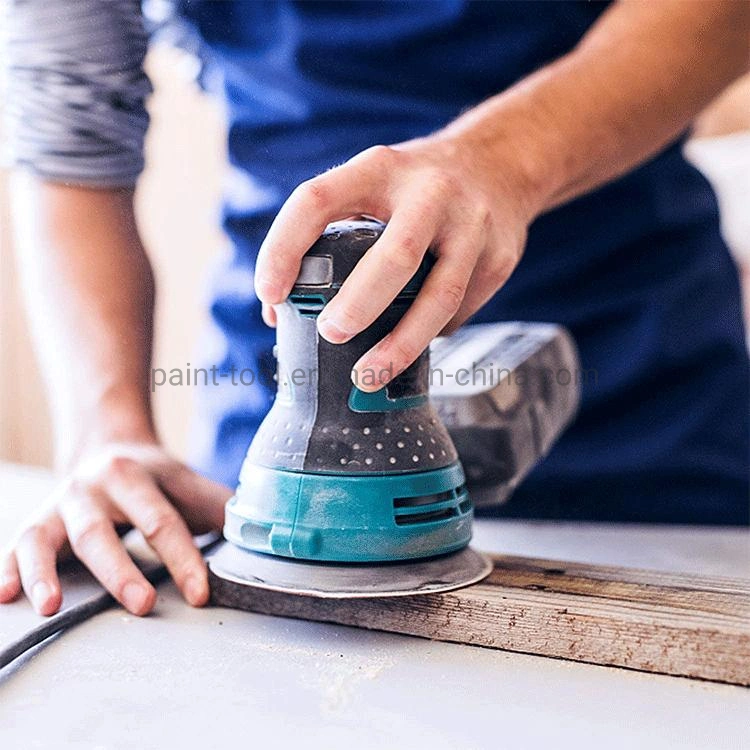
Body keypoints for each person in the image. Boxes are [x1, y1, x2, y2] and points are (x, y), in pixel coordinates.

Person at [1, 1, 747, 618]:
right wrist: (108, 430)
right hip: (267, 436)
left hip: (640, 392)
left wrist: (502, 159)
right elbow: (69, 125)